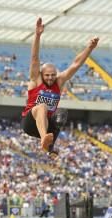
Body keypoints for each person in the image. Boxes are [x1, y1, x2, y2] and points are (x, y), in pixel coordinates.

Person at [22, 17, 100, 157]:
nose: (50, 78)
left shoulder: (59, 82)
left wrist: (90, 48)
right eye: (47, 75)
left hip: (47, 124)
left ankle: (49, 146)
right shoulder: (36, 80)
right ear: (41, 74)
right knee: (43, 106)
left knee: (61, 112)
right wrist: (38, 35)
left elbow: (76, 65)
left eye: (53, 75)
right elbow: (34, 58)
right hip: (30, 124)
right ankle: (45, 141)